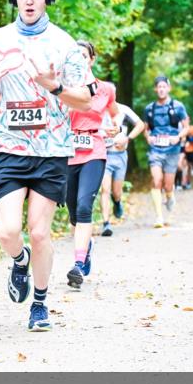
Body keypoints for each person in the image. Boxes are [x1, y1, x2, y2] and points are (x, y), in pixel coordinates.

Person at [0, 0, 94, 331]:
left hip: (51, 150)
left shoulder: (65, 45)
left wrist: (55, 89)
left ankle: (39, 305)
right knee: (9, 232)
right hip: (9, 148)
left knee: (40, 233)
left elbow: (86, 100)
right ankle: (19, 260)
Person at [65, 40, 117, 289]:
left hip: (94, 150)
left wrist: (115, 128)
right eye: (76, 57)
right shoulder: (62, 88)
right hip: (67, 153)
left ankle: (77, 265)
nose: (81, 60)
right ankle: (86, 247)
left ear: (92, 59)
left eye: (84, 56)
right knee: (74, 214)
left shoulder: (106, 88)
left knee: (85, 206)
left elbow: (115, 114)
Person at [143, 76, 189, 228]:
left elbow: (187, 127)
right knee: (156, 181)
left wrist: (178, 137)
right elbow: (145, 128)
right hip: (155, 149)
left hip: (172, 150)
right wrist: (148, 137)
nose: (161, 89)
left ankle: (169, 196)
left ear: (169, 88)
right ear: (155, 89)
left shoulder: (178, 106)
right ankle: (159, 217)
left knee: (168, 185)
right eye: (159, 87)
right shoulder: (149, 108)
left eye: (164, 86)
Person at [98, 101, 145, 236]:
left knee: (116, 192)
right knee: (105, 189)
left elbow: (140, 125)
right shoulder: (98, 109)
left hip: (120, 156)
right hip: (104, 154)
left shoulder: (123, 110)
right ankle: (106, 224)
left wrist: (127, 139)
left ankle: (117, 202)